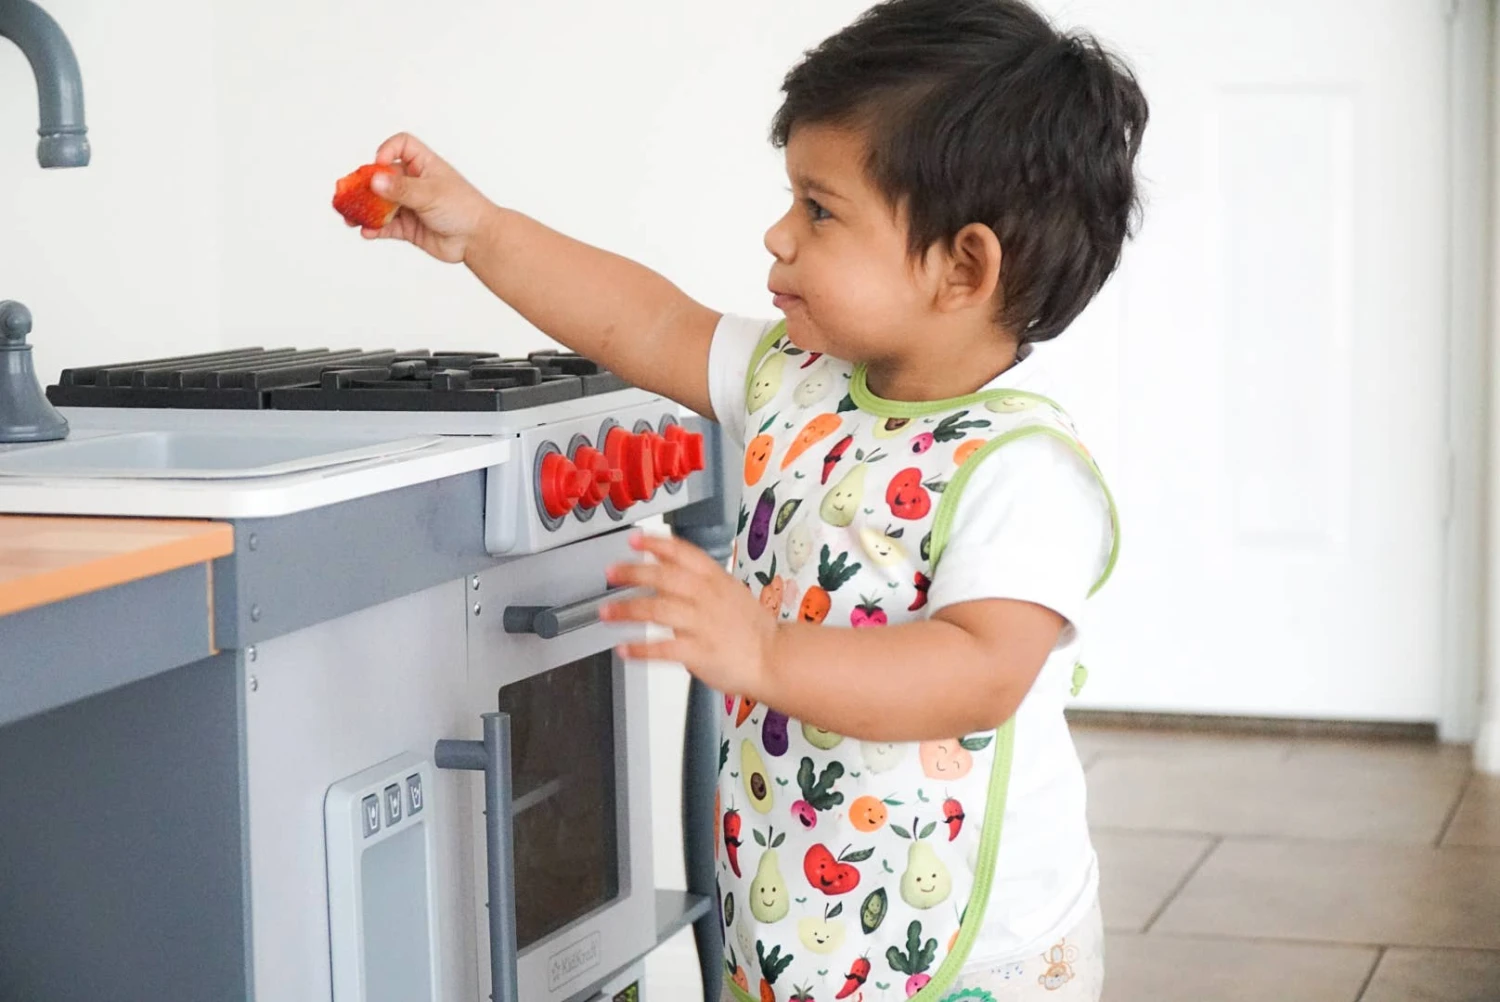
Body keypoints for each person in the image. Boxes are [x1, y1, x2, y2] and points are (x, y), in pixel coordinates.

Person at [352, 1, 1145, 997]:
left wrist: (767, 653)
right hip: (802, 895)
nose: (778, 235)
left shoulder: (1022, 468)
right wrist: (485, 231)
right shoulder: (797, 381)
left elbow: (981, 670)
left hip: (971, 951)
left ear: (963, 265)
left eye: (819, 210)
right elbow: (645, 322)